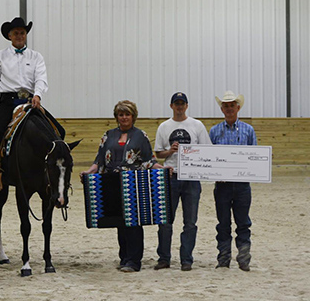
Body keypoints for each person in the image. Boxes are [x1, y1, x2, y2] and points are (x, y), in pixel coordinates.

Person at [81, 100, 162, 272]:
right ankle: (124, 257)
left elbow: (149, 161)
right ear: (116, 116)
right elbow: (99, 161)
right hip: (112, 182)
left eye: (127, 114)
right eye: (121, 114)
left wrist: (163, 169)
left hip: (134, 183)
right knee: (120, 221)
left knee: (134, 222)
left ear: (133, 116)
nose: (124, 117)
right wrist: (89, 172)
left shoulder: (141, 136)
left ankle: (134, 261)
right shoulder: (108, 135)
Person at [0, 17, 64, 189]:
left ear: (26, 35)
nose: (20, 36)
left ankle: (53, 169)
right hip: (8, 101)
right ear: (9, 35)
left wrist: (37, 94)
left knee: (60, 131)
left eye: (22, 33)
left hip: (30, 101)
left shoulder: (36, 57)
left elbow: (41, 78)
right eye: (16, 33)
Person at [154, 92, 212, 271]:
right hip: (170, 177)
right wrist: (170, 151)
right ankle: (164, 258)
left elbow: (207, 150)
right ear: (171, 106)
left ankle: (186, 259)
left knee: (190, 222)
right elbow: (158, 154)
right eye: (176, 103)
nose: (179, 106)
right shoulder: (164, 127)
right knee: (165, 220)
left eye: (182, 103)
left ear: (187, 105)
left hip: (192, 178)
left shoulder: (197, 125)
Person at [210, 91, 257, 271]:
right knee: (223, 222)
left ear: (237, 108)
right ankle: (224, 257)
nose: (229, 109)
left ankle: (244, 257)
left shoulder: (248, 130)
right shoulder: (214, 131)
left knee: (243, 221)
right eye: (226, 106)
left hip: (242, 184)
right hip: (222, 185)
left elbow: (254, 156)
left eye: (232, 105)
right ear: (222, 109)